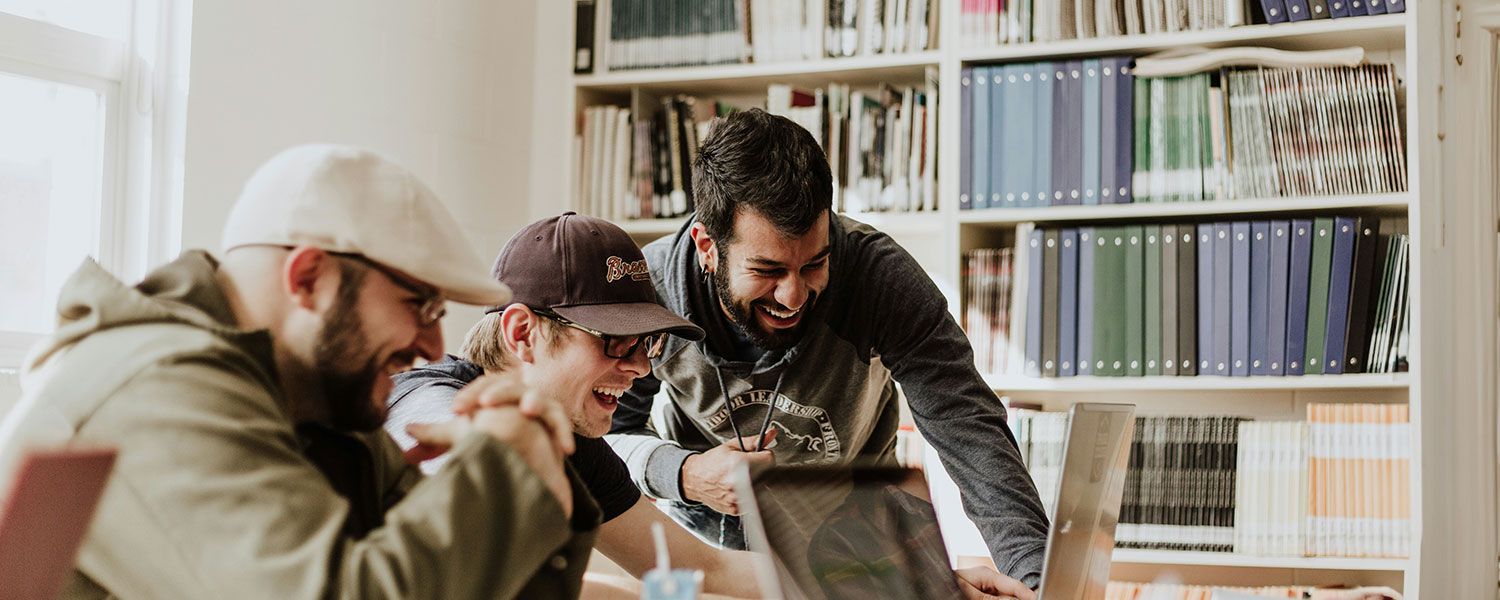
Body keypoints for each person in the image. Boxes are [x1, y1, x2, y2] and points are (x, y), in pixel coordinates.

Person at [0, 145, 596, 599]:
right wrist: (505, 466)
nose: (433, 346)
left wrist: (538, 469)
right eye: (419, 305)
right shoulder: (157, 390)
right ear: (308, 278)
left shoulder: (313, 398)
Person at [606, 109, 1050, 598]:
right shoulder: (651, 293)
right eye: (768, 270)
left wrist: (1037, 578)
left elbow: (967, 425)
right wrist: (684, 474)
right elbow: (606, 437)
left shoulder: (878, 277)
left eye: (814, 264)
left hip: (857, 540)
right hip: (706, 555)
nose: (793, 296)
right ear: (707, 246)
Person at [384, 212, 765, 599]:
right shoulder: (423, 399)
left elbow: (706, 568)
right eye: (616, 340)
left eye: (646, 342)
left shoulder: (572, 438)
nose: (641, 367)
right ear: (522, 333)